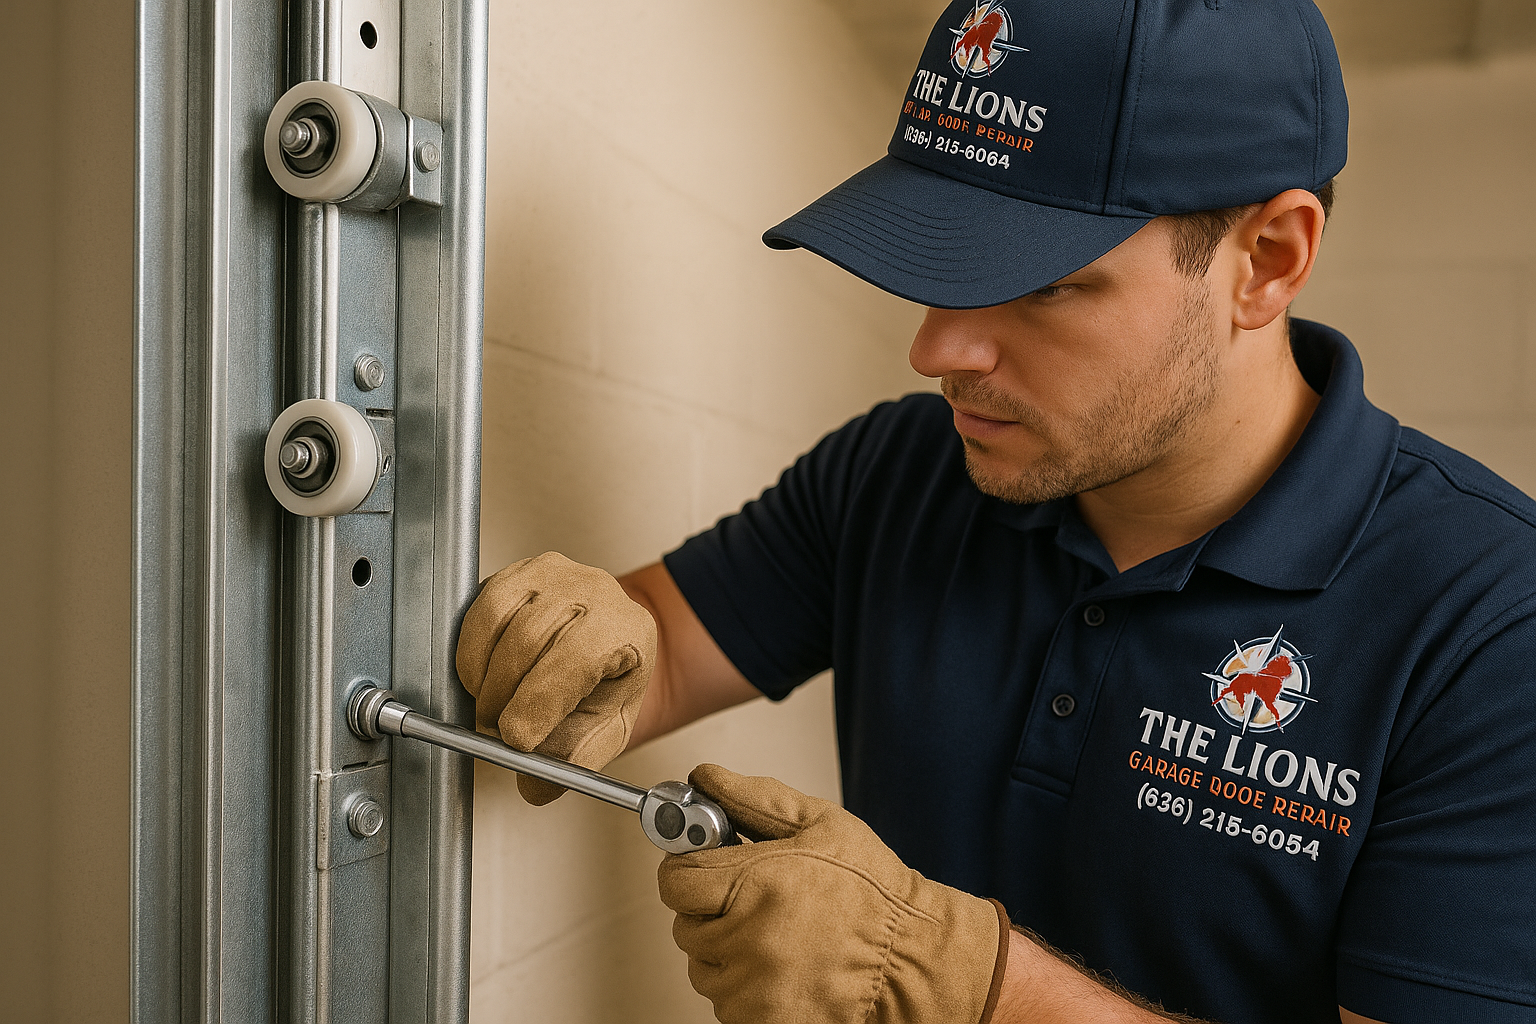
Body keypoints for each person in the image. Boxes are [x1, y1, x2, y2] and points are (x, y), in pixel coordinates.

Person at [455, 2, 1536, 1022]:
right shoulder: (903, 469)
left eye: (1042, 284)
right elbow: (660, 653)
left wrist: (967, 981)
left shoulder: (1490, 627)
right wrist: (596, 636)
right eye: (942, 259)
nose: (936, 352)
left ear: (1267, 261)